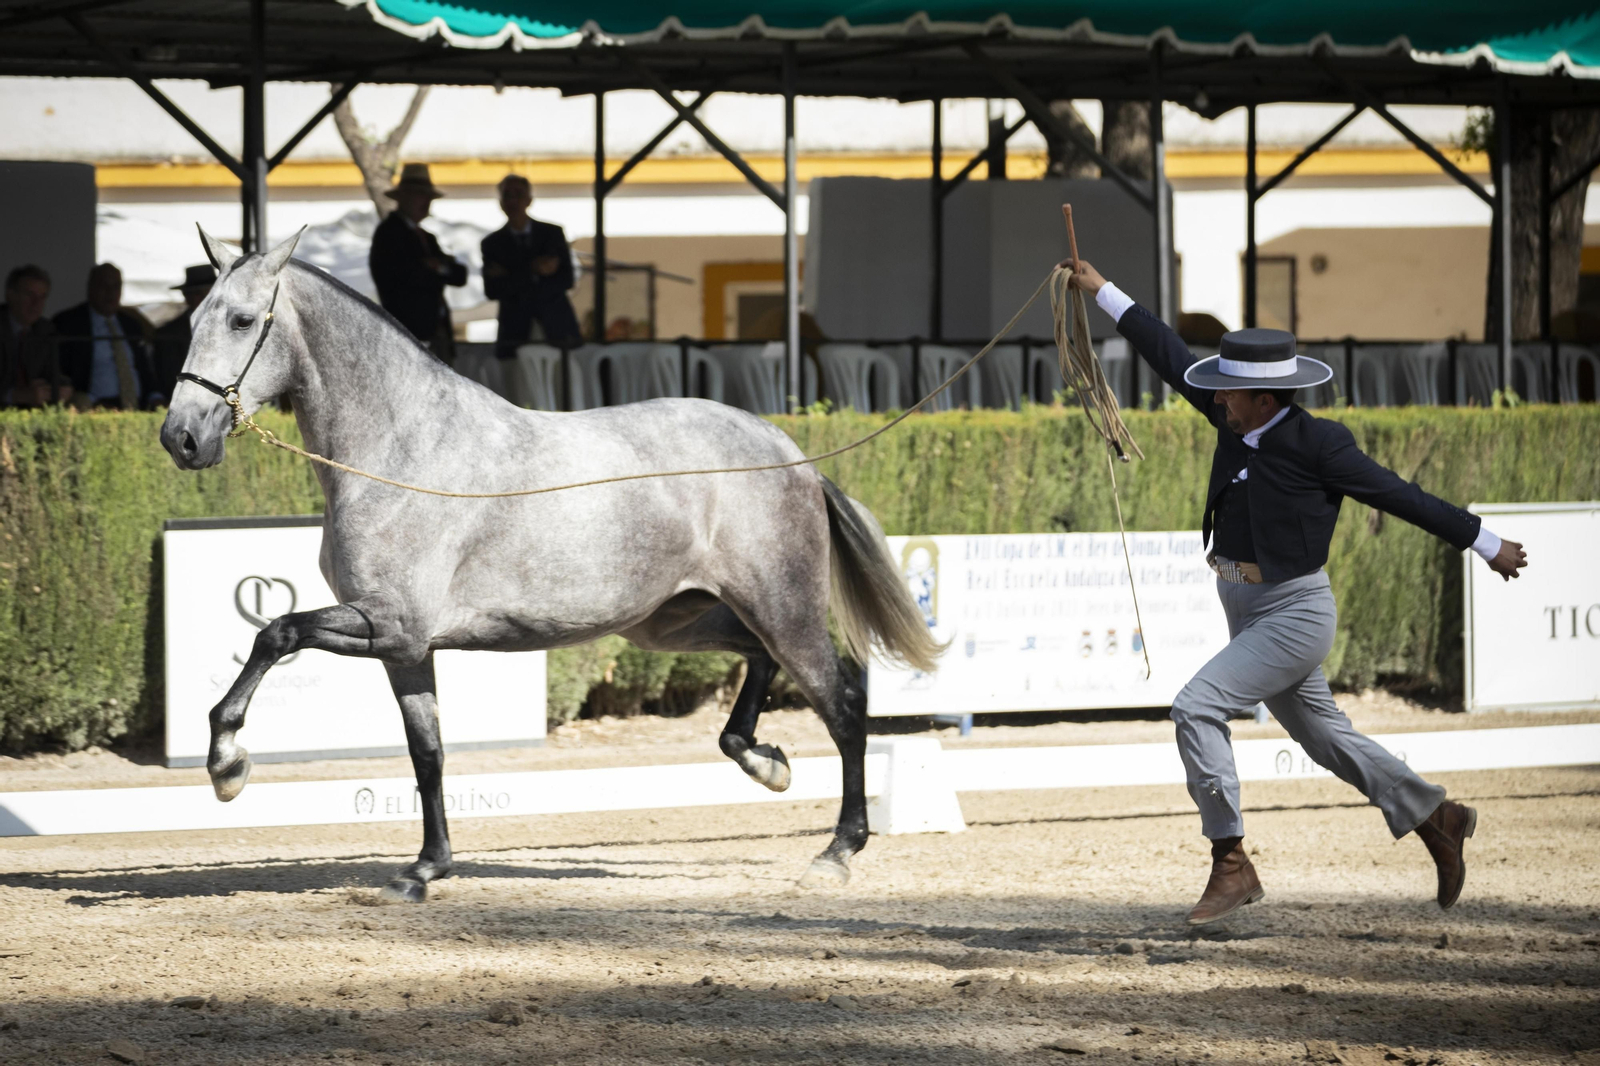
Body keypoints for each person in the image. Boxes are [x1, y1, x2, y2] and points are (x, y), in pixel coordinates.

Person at [1068, 259, 1528, 925]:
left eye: (1229, 393)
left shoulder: (1322, 445)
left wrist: (1485, 544)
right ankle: (1437, 816)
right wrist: (1100, 289)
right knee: (1326, 739)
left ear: (1266, 398)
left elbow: (1402, 497)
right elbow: (1169, 353)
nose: (1216, 398)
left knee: (1196, 707)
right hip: (1244, 607)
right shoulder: (1232, 419)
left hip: (1296, 611)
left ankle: (1231, 862)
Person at [369, 163, 467, 361]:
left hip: (435, 331)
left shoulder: (426, 237)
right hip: (408, 332)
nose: (426, 202)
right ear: (404, 196)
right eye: (420, 195)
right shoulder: (389, 234)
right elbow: (403, 277)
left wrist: (436, 267)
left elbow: (459, 275)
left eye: (428, 197)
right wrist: (436, 269)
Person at [480, 174, 581, 357]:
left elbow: (566, 280)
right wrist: (532, 270)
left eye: (518, 194)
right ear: (500, 202)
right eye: (507, 195)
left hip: (556, 328)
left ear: (529, 199)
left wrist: (511, 274)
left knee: (562, 379)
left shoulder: (552, 234)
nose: (512, 201)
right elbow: (493, 289)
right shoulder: (492, 243)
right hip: (515, 331)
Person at [53, 262, 160, 410]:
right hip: (92, 409)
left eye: (116, 286)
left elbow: (144, 369)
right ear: (91, 287)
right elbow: (61, 374)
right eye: (104, 286)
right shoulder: (68, 323)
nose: (110, 292)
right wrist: (90, 402)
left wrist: (155, 397)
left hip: (138, 406)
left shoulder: (131, 324)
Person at [1, 264, 71, 408]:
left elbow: (54, 373)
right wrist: (15, 395)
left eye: (42, 297)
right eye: (30, 295)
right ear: (10, 295)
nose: (36, 304)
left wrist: (61, 388)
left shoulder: (45, 329)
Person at [153, 263, 216, 400]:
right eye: (199, 294)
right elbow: (167, 379)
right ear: (186, 296)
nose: (206, 300)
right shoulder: (168, 334)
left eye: (211, 293)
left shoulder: (238, 327)